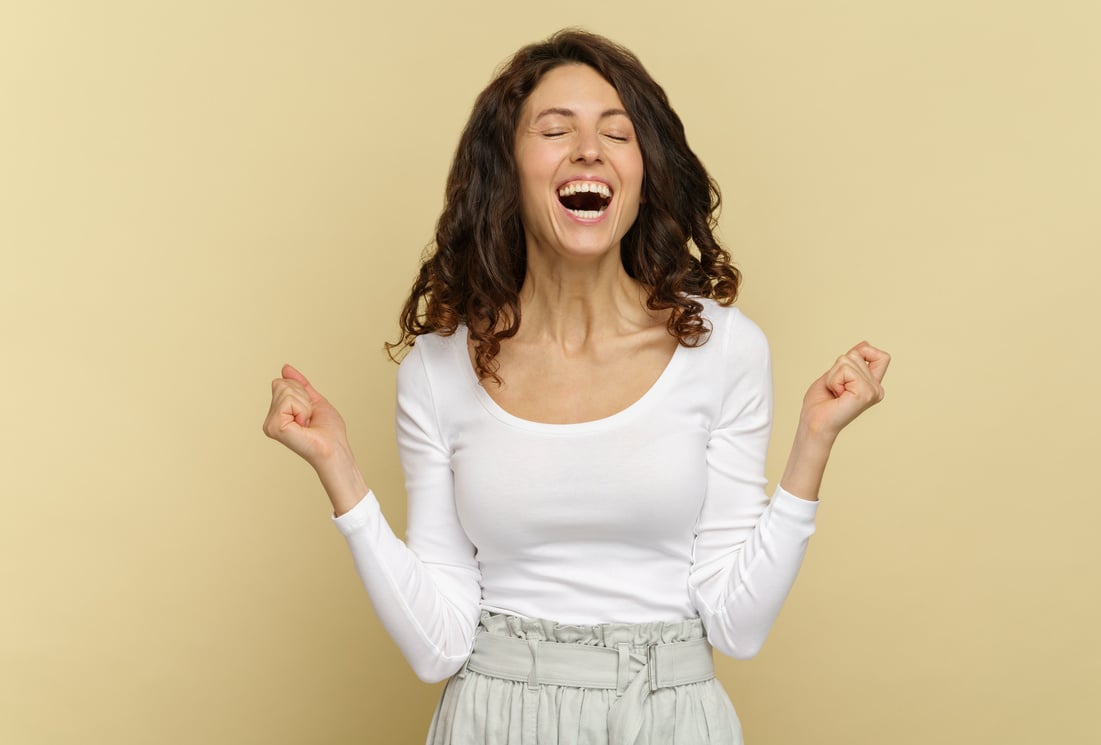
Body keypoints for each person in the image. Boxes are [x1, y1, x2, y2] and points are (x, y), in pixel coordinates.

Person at [263, 29, 888, 745]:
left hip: (670, 715)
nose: (587, 149)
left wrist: (811, 444)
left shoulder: (724, 348)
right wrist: (339, 468)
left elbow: (736, 626)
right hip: (493, 717)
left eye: (616, 134)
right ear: (509, 169)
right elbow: (437, 644)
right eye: (555, 129)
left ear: (643, 171)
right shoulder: (436, 370)